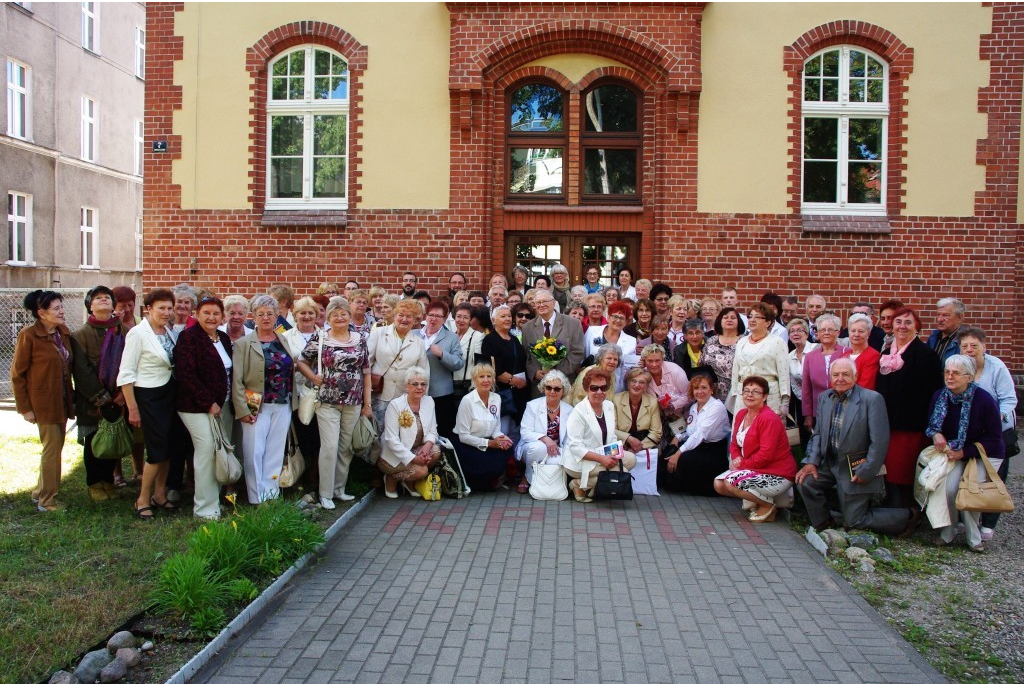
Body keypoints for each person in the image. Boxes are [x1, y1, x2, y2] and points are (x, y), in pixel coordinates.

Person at [796, 358, 917, 536]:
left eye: (846, 374)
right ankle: (825, 525)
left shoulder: (872, 399)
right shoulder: (825, 398)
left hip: (855, 466)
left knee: (855, 521)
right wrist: (811, 461)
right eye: (836, 375)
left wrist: (867, 469)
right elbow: (818, 434)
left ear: (856, 376)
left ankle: (907, 516)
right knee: (806, 482)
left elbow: (880, 440)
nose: (840, 379)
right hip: (829, 463)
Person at [297, 298, 372, 508]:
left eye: (343, 313)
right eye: (335, 314)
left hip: (353, 402)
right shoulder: (320, 337)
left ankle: (339, 489)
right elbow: (302, 361)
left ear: (349, 315)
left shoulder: (360, 338)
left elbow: (366, 372)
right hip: (327, 401)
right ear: (328, 318)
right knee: (329, 446)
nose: (340, 317)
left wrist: (367, 404)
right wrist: (313, 377)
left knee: (346, 447)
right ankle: (325, 493)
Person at [927, 355, 1005, 552]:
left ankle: (973, 537)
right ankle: (949, 531)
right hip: (952, 451)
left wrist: (965, 451)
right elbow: (931, 425)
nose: (950, 377)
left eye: (956, 373)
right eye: (947, 372)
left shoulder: (984, 400)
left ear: (969, 377)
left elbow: (994, 438)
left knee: (970, 490)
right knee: (949, 488)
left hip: (981, 452)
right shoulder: (939, 396)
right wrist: (935, 434)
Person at [118, 288, 181, 519]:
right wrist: (132, 408)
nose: (166, 312)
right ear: (148, 309)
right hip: (149, 396)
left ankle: (159, 494)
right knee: (156, 450)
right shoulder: (137, 333)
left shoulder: (168, 331)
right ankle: (142, 499)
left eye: (169, 308)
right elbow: (126, 373)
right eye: (161, 308)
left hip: (169, 393)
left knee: (168, 448)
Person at [12, 290, 75, 512]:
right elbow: (17, 375)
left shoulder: (63, 333)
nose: (61, 311)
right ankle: (47, 501)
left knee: (55, 447)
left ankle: (39, 491)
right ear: (41, 313)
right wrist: (25, 408)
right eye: (56, 308)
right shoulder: (28, 335)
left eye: (61, 307)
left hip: (63, 401)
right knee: (52, 448)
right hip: (43, 402)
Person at [875, 307, 943, 506]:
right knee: (890, 468)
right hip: (888, 424)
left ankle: (908, 512)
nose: (902, 326)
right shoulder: (887, 353)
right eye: (898, 322)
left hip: (911, 425)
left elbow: (933, 394)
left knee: (905, 470)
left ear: (917, 328)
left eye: (908, 323)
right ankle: (893, 506)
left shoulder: (925, 355)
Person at [174, 296, 234, 520]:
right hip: (195, 407)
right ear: (197, 314)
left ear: (222, 317)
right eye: (206, 313)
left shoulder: (224, 338)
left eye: (216, 313)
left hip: (223, 405)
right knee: (207, 450)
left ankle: (215, 500)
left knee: (218, 450)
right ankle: (204, 509)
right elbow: (186, 375)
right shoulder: (188, 338)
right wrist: (208, 402)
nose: (211, 317)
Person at [232, 294, 295, 504]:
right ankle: (256, 497)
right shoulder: (244, 343)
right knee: (253, 451)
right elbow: (238, 380)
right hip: (255, 401)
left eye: (270, 314)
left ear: (277, 316)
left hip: (282, 402)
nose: (266, 318)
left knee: (275, 451)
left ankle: (271, 493)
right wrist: (243, 409)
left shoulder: (282, 338)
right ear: (254, 317)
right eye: (261, 314)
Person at [69, 286, 129, 501]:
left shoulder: (125, 331)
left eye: (107, 298)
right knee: (94, 442)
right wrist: (101, 397)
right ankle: (94, 483)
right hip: (92, 402)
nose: (103, 300)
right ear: (90, 305)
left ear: (113, 305)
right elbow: (82, 371)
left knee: (112, 441)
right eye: (98, 298)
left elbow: (131, 363)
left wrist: (123, 393)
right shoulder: (79, 335)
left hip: (120, 398)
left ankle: (108, 481)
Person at [957, 327, 1017, 541]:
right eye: (965, 346)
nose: (969, 350)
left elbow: (1009, 400)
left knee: (994, 477)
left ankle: (989, 524)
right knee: (969, 476)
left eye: (974, 345)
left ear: (984, 346)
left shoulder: (996, 367)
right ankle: (967, 519)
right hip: (971, 433)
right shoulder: (960, 367)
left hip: (997, 432)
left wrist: (993, 419)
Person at [715, 376, 797, 522]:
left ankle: (768, 505)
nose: (750, 395)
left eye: (756, 392)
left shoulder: (768, 418)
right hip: (754, 468)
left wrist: (742, 465)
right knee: (719, 484)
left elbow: (766, 455)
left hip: (777, 472)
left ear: (765, 396)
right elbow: (734, 443)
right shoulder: (741, 414)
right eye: (746, 391)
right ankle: (760, 502)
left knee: (730, 482)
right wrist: (736, 457)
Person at [563, 366, 637, 502]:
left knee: (631, 459)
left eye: (603, 388)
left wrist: (614, 455)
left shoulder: (608, 406)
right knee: (623, 472)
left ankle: (587, 487)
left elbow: (612, 437)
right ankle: (579, 484)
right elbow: (575, 448)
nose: (599, 392)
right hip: (578, 461)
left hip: (603, 453)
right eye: (594, 388)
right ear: (586, 389)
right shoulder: (578, 412)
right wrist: (602, 459)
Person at [662, 372, 730, 496]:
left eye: (704, 388)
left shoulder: (717, 407)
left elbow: (700, 434)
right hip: (698, 446)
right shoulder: (694, 407)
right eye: (696, 388)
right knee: (669, 451)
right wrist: (678, 437)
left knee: (682, 458)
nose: (700, 391)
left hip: (713, 450)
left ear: (712, 390)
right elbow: (690, 431)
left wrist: (679, 453)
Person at [378, 367, 442, 497]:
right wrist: (413, 458)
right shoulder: (395, 405)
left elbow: (433, 430)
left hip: (416, 448)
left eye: (423, 384)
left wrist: (427, 446)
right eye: (415, 384)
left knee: (435, 451)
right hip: (394, 455)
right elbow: (391, 440)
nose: (420, 387)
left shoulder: (429, 401)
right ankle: (391, 479)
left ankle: (408, 482)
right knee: (422, 471)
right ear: (407, 386)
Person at [367, 299, 429, 425]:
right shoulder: (379, 334)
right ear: (394, 316)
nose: (404, 319)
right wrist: (366, 399)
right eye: (401, 315)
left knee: (401, 434)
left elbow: (423, 372)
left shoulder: (418, 342)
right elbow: (366, 364)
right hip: (379, 395)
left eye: (409, 316)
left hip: (404, 397)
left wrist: (420, 399)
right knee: (377, 434)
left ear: (415, 320)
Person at [454, 363, 515, 491]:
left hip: (487, 440)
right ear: (475, 380)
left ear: (494, 380)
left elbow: (496, 428)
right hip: (466, 444)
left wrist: (501, 438)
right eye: (481, 376)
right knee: (483, 469)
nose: (486, 380)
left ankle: (492, 478)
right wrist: (490, 443)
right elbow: (463, 436)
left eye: (489, 376)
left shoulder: (497, 398)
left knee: (508, 447)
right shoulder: (467, 401)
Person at [727, 303, 790, 418]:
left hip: (769, 396)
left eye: (757, 317)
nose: (752, 320)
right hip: (744, 395)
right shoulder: (742, 341)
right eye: (750, 316)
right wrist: (736, 393)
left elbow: (784, 372)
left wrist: (785, 402)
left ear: (768, 322)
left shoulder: (777, 342)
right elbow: (736, 370)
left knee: (765, 431)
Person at [515, 370, 573, 492]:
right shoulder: (532, 405)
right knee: (538, 448)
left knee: (557, 461)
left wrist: (565, 453)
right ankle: (527, 477)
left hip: (556, 449)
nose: (552, 391)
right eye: (549, 387)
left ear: (563, 391)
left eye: (557, 389)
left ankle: (544, 485)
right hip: (533, 446)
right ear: (543, 388)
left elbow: (569, 438)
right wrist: (546, 439)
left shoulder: (569, 410)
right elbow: (525, 432)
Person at [480, 305, 529, 437]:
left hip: (519, 392)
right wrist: (513, 380)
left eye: (509, 316)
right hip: (502, 393)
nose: (507, 319)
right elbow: (492, 368)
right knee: (503, 431)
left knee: (516, 431)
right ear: (494, 320)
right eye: (503, 316)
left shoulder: (514, 339)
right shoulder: (489, 340)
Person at [417, 300, 464, 438]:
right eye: (431, 315)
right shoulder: (414, 334)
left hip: (441, 394)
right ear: (426, 316)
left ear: (444, 319)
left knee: (441, 431)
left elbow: (458, 363)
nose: (433, 319)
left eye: (438, 316)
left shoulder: (451, 337)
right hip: (416, 392)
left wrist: (442, 354)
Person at [522, 290, 585, 388]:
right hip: (539, 385)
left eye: (545, 301)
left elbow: (577, 352)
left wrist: (556, 373)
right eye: (538, 302)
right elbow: (526, 354)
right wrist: (534, 372)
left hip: (565, 383)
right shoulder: (527, 328)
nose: (541, 305)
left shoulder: (573, 324)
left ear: (553, 303)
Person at [801, 314, 850, 432]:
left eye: (830, 330)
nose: (826, 333)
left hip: (843, 408)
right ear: (817, 333)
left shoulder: (847, 352)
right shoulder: (810, 357)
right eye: (822, 330)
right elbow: (806, 388)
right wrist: (808, 414)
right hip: (819, 410)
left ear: (838, 332)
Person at [613, 367, 663, 456]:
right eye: (633, 381)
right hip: (620, 445)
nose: (637, 385)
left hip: (645, 446)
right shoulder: (616, 399)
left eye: (641, 382)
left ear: (646, 386)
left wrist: (638, 447)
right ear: (628, 384)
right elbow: (611, 429)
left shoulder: (652, 402)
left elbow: (656, 432)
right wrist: (628, 439)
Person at [700, 306, 744, 402]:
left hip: (736, 394)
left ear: (739, 322)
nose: (729, 320)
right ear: (720, 321)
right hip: (712, 394)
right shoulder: (711, 340)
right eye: (725, 317)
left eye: (733, 318)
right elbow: (702, 364)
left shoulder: (744, 342)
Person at [786, 317, 817, 444]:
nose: (796, 333)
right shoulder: (789, 356)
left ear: (807, 333)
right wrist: (804, 401)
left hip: (819, 401)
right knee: (805, 435)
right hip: (802, 402)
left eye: (800, 330)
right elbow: (794, 383)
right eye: (792, 331)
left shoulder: (816, 349)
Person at [640, 343, 690, 420]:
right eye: (650, 361)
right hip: (655, 417)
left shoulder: (676, 371)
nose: (654, 365)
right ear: (644, 361)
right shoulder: (643, 374)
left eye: (657, 360)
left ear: (663, 359)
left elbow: (689, 395)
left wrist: (673, 405)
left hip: (681, 416)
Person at [584, 300, 637, 365]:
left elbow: (629, 366)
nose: (618, 320)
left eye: (622, 318)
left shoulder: (631, 341)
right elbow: (583, 355)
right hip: (590, 373)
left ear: (626, 322)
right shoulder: (592, 331)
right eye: (615, 316)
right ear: (608, 318)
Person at [451, 303, 483, 407]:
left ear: (470, 320)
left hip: (466, 385)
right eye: (459, 316)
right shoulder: (450, 335)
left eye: (465, 317)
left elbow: (478, 364)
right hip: (449, 384)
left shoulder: (477, 336)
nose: (461, 320)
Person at [846, 313, 880, 390]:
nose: (856, 334)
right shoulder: (843, 356)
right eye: (853, 331)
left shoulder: (873, 356)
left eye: (861, 331)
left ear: (868, 334)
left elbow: (866, 386)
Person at [927, 297, 966, 363]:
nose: (939, 319)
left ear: (960, 318)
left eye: (945, 315)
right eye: (938, 315)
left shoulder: (967, 341)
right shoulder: (933, 338)